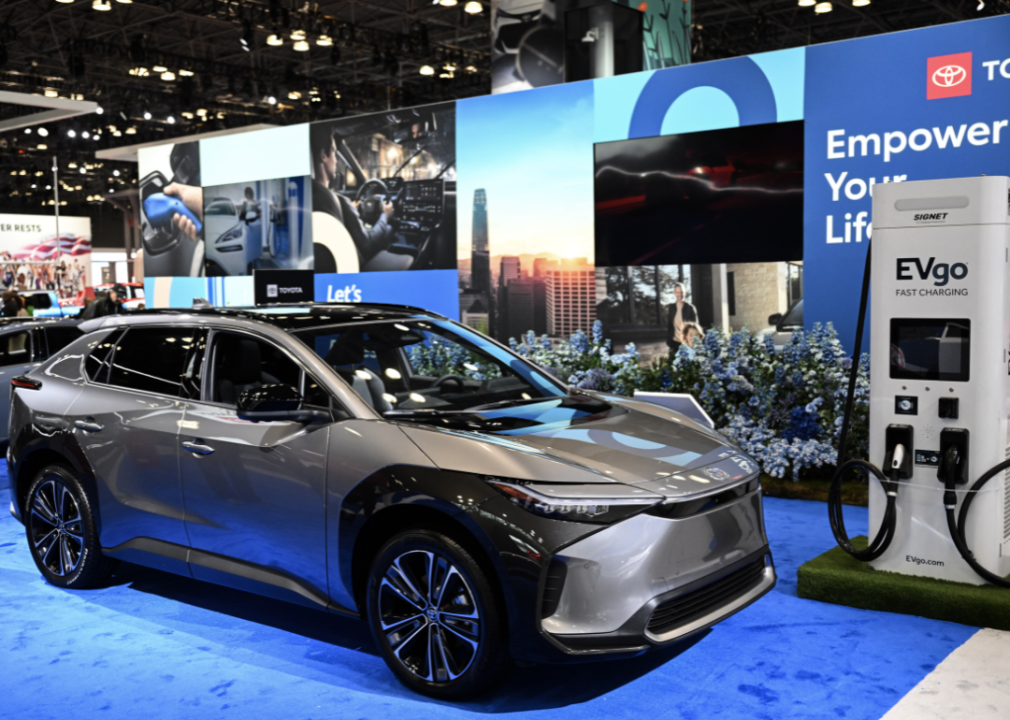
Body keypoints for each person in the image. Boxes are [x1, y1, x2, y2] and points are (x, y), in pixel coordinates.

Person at [309, 122, 403, 270]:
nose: (337, 159)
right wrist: (385, 215)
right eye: (334, 152)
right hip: (356, 275)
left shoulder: (308, 198)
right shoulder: (338, 201)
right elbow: (368, 243)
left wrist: (349, 211)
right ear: (323, 156)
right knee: (389, 229)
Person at [666, 282, 699, 355]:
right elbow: (670, 326)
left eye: (681, 292)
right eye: (677, 292)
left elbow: (695, 329)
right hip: (674, 344)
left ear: (685, 293)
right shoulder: (671, 307)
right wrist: (669, 341)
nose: (679, 295)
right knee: (672, 365)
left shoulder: (690, 308)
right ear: (675, 293)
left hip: (686, 344)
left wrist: (692, 344)